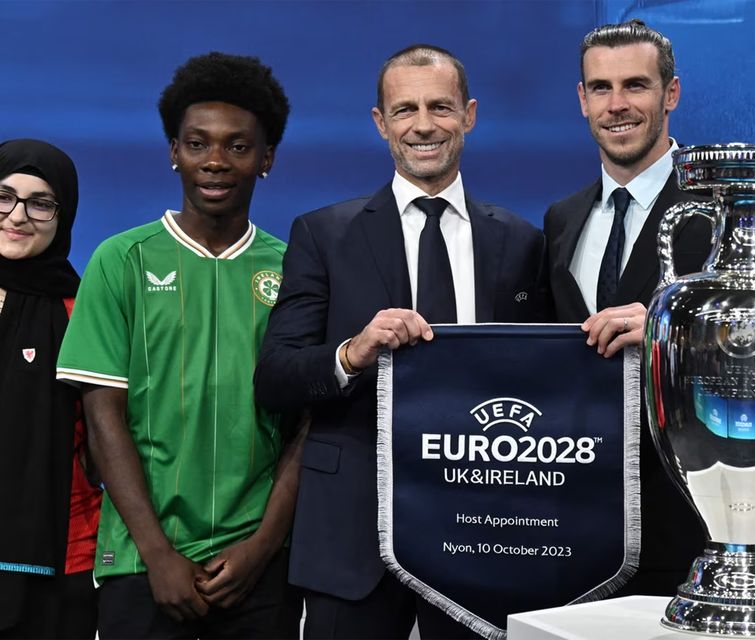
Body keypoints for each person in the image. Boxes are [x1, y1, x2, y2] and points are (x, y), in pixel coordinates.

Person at [255, 44, 548, 639]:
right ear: (380, 122)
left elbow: (541, 379)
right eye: (404, 108)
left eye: (439, 106)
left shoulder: (520, 241)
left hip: (484, 531)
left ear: (468, 114)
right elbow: (275, 376)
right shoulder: (322, 234)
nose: (422, 125)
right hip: (353, 536)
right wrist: (351, 353)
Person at [56, 52, 304, 639]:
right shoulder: (120, 259)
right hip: (144, 563)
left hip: (257, 568)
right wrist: (157, 555)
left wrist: (262, 546)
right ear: (174, 151)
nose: (215, 161)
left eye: (238, 146)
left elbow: (308, 426)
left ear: (266, 159)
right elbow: (102, 412)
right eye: (198, 143)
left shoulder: (295, 268)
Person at [543, 20, 712, 595]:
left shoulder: (726, 211)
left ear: (671, 94)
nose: (617, 106)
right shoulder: (561, 219)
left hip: (697, 526)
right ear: (582, 100)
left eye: (635, 86)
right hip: (577, 525)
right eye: (600, 88)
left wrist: (672, 330)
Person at [0, 139, 101, 639]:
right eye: (3, 196)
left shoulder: (81, 313)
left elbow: (104, 443)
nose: (18, 216)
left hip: (58, 562)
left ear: (64, 213)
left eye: (40, 202)